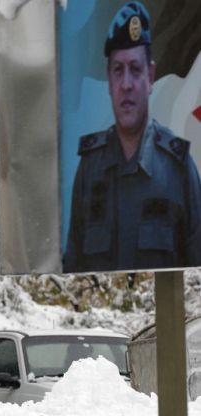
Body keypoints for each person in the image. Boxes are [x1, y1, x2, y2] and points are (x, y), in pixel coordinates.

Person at [63, 1, 201, 273]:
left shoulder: (179, 167)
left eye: (136, 70)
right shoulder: (89, 168)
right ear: (109, 80)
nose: (127, 84)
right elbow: (73, 260)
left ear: (150, 77)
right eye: (118, 70)